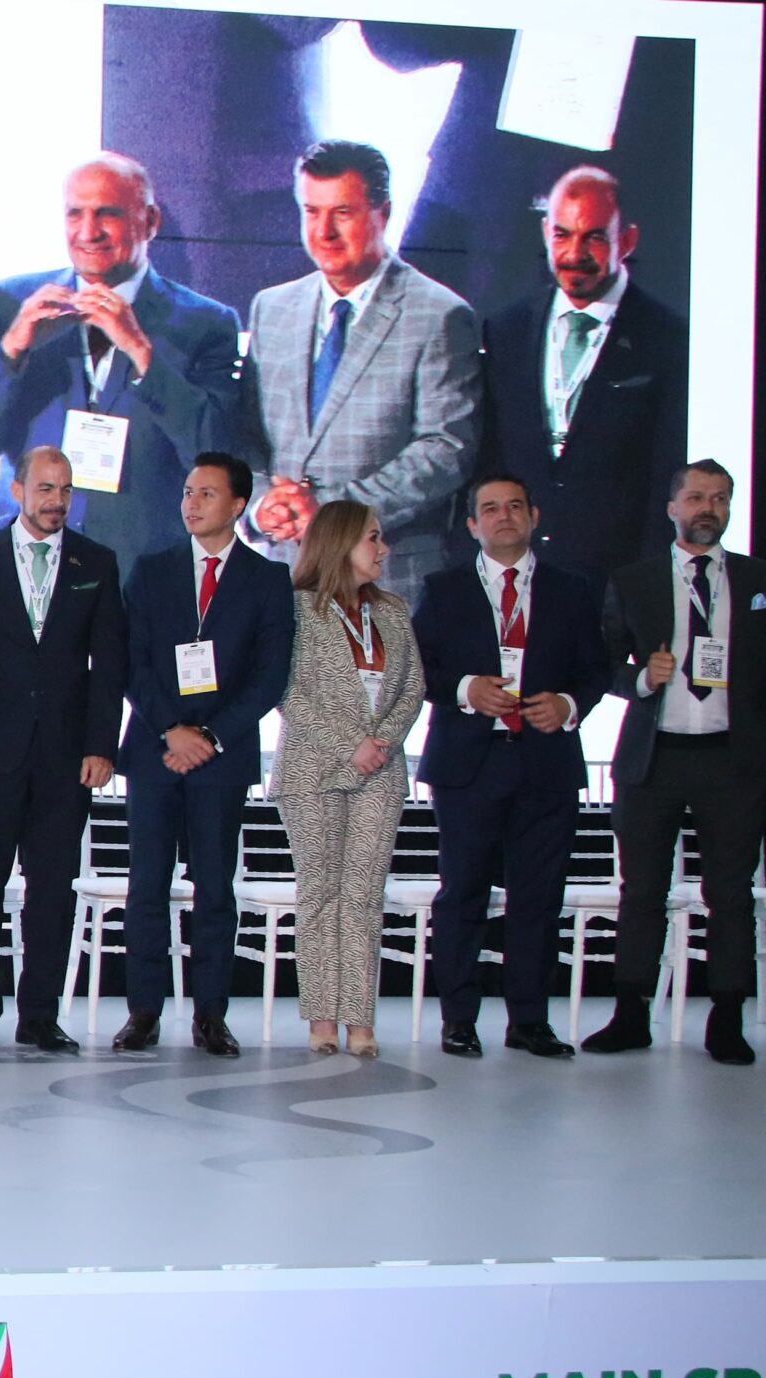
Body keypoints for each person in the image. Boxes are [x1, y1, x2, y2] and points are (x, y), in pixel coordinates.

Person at [0, 154, 241, 565]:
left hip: (139, 568)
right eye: (75, 214)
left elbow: (216, 459)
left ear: (150, 221)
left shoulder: (206, 323)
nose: (88, 232)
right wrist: (12, 350)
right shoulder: (10, 302)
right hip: (19, 559)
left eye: (108, 214)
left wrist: (141, 352)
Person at [412, 475, 606, 1059]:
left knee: (539, 898)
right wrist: (466, 689)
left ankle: (529, 1021)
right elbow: (420, 668)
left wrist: (568, 704)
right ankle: (458, 1020)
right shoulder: (443, 589)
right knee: (462, 894)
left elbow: (595, 670)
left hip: (545, 760)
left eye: (515, 506)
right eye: (490, 509)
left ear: (533, 517)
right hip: (469, 763)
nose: (504, 517)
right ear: (473, 525)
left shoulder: (572, 589)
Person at [237, 140, 482, 596]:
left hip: (386, 580)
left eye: (342, 213)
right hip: (283, 578)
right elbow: (246, 438)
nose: (323, 231)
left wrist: (334, 512)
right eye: (311, 211)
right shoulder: (271, 308)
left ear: (382, 213)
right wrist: (261, 502)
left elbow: (446, 448)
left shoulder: (438, 315)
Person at [0, 447, 126, 1052]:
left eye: (66, 490)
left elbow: (109, 664)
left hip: (67, 757)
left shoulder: (96, 560)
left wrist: (102, 745)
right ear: (18, 490)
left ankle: (40, 1017)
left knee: (51, 893)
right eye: (46, 488)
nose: (57, 501)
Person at [114, 453, 295, 1056]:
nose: (191, 503)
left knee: (215, 888)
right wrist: (172, 729)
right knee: (147, 886)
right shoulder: (153, 569)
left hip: (222, 756)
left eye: (207, 494)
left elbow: (269, 677)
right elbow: (132, 661)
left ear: (239, 505)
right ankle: (143, 1012)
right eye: (188, 492)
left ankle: (211, 1015)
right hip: (156, 752)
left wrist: (210, 737)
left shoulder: (267, 578)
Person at [584, 462, 761, 1065]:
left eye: (720, 498)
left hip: (733, 761)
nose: (708, 508)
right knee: (642, 892)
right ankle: (630, 1015)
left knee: (731, 894)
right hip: (654, 758)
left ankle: (727, 1020)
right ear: (672, 508)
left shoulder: (757, 579)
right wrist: (640, 678)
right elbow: (603, 664)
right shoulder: (635, 580)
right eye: (696, 497)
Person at [478, 166, 687, 585]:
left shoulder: (667, 338)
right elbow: (489, 460)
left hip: (616, 583)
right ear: (545, 233)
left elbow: (666, 479)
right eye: (562, 235)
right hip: (517, 577)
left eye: (594, 237)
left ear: (627, 240)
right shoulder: (505, 330)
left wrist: (646, 592)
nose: (575, 253)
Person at [270, 502, 425, 1057]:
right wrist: (349, 744)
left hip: (380, 771)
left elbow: (413, 687)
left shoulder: (393, 610)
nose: (384, 549)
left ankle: (360, 1020)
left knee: (362, 894)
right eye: (373, 539)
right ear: (339, 542)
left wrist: (381, 742)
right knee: (320, 893)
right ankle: (322, 1019)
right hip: (312, 769)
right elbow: (286, 691)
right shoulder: (295, 609)